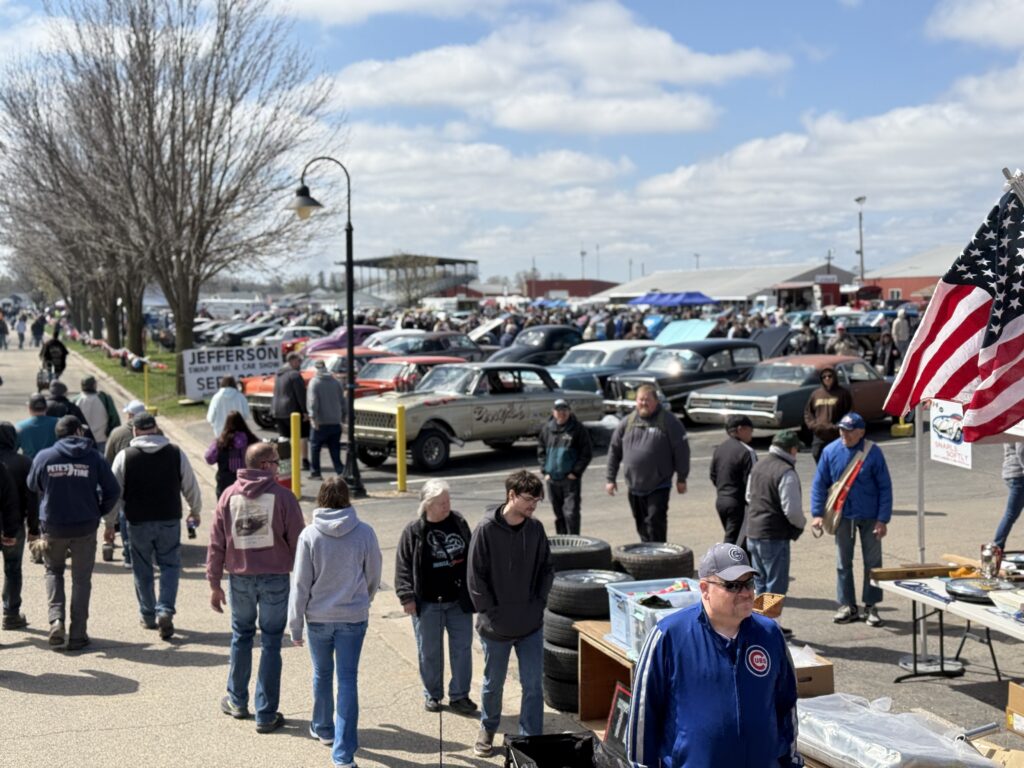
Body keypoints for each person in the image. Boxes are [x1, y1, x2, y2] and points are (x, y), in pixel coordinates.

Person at [626, 543, 802, 768]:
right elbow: (643, 717)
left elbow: (786, 705)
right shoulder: (669, 635)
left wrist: (790, 763)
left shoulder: (770, 634)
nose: (746, 593)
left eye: (749, 583)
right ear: (705, 589)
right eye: (733, 585)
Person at [206, 442, 305, 734]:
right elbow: (299, 542)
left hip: (240, 579)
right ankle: (266, 713)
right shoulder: (284, 497)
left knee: (241, 636)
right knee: (272, 642)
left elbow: (216, 544)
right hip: (275, 578)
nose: (278, 466)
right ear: (264, 466)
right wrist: (305, 582)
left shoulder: (228, 496)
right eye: (275, 461)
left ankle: (237, 701)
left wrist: (214, 583)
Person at [288, 477, 382, 767]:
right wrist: (363, 599)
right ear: (347, 498)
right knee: (348, 679)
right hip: (353, 616)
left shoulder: (309, 535)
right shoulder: (364, 532)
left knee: (322, 673)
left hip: (318, 617)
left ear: (320, 498)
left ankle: (323, 727)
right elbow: (374, 574)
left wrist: (295, 624)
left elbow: (300, 584)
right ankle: (343, 753)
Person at [467, 470, 553, 757]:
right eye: (529, 499)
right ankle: (488, 729)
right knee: (493, 685)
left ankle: (531, 741)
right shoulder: (485, 530)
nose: (533, 506)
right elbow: (475, 578)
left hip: (531, 624)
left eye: (537, 501)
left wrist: (538, 603)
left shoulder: (535, 529)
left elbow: (547, 569)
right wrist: (491, 613)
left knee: (533, 686)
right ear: (511, 495)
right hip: (496, 627)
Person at [27, 416, 120, 651]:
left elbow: (32, 485)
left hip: (53, 526)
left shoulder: (44, 457)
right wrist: (98, 510)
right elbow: (113, 489)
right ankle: (78, 634)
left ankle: (56, 621)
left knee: (53, 571)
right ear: (78, 431)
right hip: (85, 527)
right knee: (81, 579)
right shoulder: (94, 457)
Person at [111, 412, 202, 639]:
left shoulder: (125, 456)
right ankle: (165, 609)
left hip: (137, 520)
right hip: (169, 518)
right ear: (155, 428)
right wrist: (195, 509)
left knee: (142, 568)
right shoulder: (175, 453)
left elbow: (114, 493)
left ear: (135, 431)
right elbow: (190, 484)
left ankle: (148, 614)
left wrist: (109, 523)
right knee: (170, 565)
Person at [395, 479, 477, 715]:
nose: (447, 506)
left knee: (462, 650)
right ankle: (432, 694)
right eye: (442, 503)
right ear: (428, 505)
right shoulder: (414, 531)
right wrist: (406, 597)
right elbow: (402, 567)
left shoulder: (458, 522)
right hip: (428, 603)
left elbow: (472, 556)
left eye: (448, 501)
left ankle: (460, 695)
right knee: (429, 652)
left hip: (458, 601)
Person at [811, 412, 893, 627]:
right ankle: (847, 605)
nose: (844, 434)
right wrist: (817, 514)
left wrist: (883, 519)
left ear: (861, 432)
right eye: (842, 430)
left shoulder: (873, 453)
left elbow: (885, 487)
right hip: (843, 516)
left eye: (849, 431)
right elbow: (819, 484)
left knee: (873, 564)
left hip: (870, 516)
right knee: (843, 563)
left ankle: (871, 605)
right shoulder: (830, 451)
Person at [606, 384, 690, 542]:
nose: (643, 403)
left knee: (655, 523)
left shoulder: (669, 421)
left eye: (647, 400)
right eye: (640, 400)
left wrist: (682, 478)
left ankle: (659, 553)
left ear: (656, 401)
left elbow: (682, 451)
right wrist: (610, 479)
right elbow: (614, 450)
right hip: (634, 486)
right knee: (641, 525)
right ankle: (646, 553)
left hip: (658, 485)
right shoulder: (627, 422)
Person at [746, 430, 806, 639]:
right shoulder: (785, 472)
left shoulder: (758, 466)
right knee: (775, 586)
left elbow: (749, 496)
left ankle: (759, 625)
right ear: (792, 449)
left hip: (753, 532)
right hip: (773, 535)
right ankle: (769, 630)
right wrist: (801, 524)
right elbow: (792, 511)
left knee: (761, 583)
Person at [0, 421, 39, 631]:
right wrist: (34, 528)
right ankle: (11, 613)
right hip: (14, 525)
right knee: (13, 569)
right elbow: (33, 499)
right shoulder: (24, 462)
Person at [105, 399, 153, 567]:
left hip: (126, 482)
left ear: (131, 416)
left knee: (125, 514)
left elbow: (108, 458)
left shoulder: (117, 433)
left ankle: (128, 553)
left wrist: (109, 522)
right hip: (151, 482)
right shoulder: (157, 432)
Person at [537, 398, 593, 535]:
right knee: (559, 514)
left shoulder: (577, 429)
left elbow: (586, 453)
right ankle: (562, 542)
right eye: (558, 410)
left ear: (569, 411)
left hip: (570, 480)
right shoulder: (547, 429)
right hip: (552, 480)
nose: (561, 413)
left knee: (571, 514)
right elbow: (541, 451)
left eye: (564, 409)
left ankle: (574, 541)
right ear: (553, 412)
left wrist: (576, 472)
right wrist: (545, 471)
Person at [709, 415, 757, 545]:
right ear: (741, 429)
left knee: (739, 542)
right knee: (734, 546)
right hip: (739, 505)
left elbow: (713, 475)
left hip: (721, 501)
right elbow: (754, 481)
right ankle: (723, 559)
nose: (751, 434)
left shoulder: (719, 449)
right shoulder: (747, 452)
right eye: (750, 430)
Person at [802, 367, 853, 462]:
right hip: (819, 433)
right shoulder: (816, 394)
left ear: (834, 377)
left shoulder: (843, 393)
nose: (827, 378)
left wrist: (837, 426)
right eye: (824, 377)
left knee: (836, 459)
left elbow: (848, 413)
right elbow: (808, 412)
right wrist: (813, 425)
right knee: (817, 454)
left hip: (836, 434)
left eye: (829, 376)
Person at [205, 412, 260, 498]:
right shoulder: (252, 440)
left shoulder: (221, 442)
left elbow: (209, 458)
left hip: (225, 485)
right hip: (248, 484)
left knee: (225, 505)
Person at [271, 351, 310, 472]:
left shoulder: (278, 375)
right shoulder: (295, 375)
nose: (300, 363)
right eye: (299, 361)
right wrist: (305, 411)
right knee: (303, 436)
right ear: (292, 361)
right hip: (293, 411)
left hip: (278, 410)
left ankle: (284, 464)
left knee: (284, 438)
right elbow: (301, 395)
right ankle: (304, 461)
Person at [307, 359, 345, 480]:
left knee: (315, 448)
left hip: (320, 422)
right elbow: (342, 401)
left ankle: (316, 473)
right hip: (335, 421)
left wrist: (313, 417)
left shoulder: (314, 382)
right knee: (335, 449)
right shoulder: (336, 382)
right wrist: (342, 418)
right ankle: (340, 471)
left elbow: (313, 402)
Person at [74, 376, 120, 453]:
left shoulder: (75, 400)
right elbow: (114, 418)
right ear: (94, 385)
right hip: (101, 439)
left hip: (81, 440)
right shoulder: (104, 398)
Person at [993, 443, 1024, 549]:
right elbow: (1021, 450)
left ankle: (997, 546)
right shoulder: (1020, 432)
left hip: (1011, 473)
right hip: (1018, 475)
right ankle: (997, 546)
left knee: (1011, 514)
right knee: (1011, 514)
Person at [16, 394, 59, 459]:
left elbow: (12, 450)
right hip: (53, 462)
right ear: (46, 408)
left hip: (30, 463)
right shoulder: (58, 423)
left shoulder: (19, 427)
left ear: (29, 408)